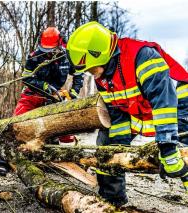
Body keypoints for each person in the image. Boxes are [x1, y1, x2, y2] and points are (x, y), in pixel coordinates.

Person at [66, 21, 188, 207]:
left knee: (180, 154)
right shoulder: (104, 73)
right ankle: (112, 199)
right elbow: (116, 112)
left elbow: (164, 102)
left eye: (91, 68)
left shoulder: (142, 57)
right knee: (107, 146)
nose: (92, 74)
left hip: (177, 105)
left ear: (101, 55)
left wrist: (167, 146)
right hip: (139, 108)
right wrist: (117, 149)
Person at [14, 27, 84, 144]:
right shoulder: (34, 57)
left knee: (65, 132)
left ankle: (65, 149)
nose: (48, 53)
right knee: (16, 125)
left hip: (54, 97)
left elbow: (79, 74)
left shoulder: (66, 58)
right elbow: (26, 78)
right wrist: (44, 86)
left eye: (52, 50)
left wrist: (74, 92)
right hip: (32, 94)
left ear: (59, 44)